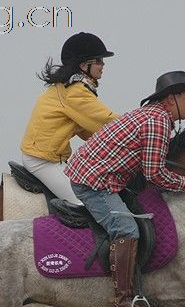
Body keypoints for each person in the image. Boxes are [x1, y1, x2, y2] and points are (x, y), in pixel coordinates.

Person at [65, 71, 185, 307]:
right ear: (172, 98)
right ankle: (124, 304)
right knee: (127, 229)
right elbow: (155, 174)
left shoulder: (153, 116)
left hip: (101, 176)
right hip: (94, 182)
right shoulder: (158, 122)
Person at [20, 32, 119, 205]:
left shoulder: (71, 87)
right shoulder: (75, 92)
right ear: (83, 65)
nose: (103, 65)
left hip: (49, 158)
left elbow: (91, 132)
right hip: (43, 161)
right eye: (98, 60)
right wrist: (142, 123)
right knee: (90, 203)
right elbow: (107, 121)